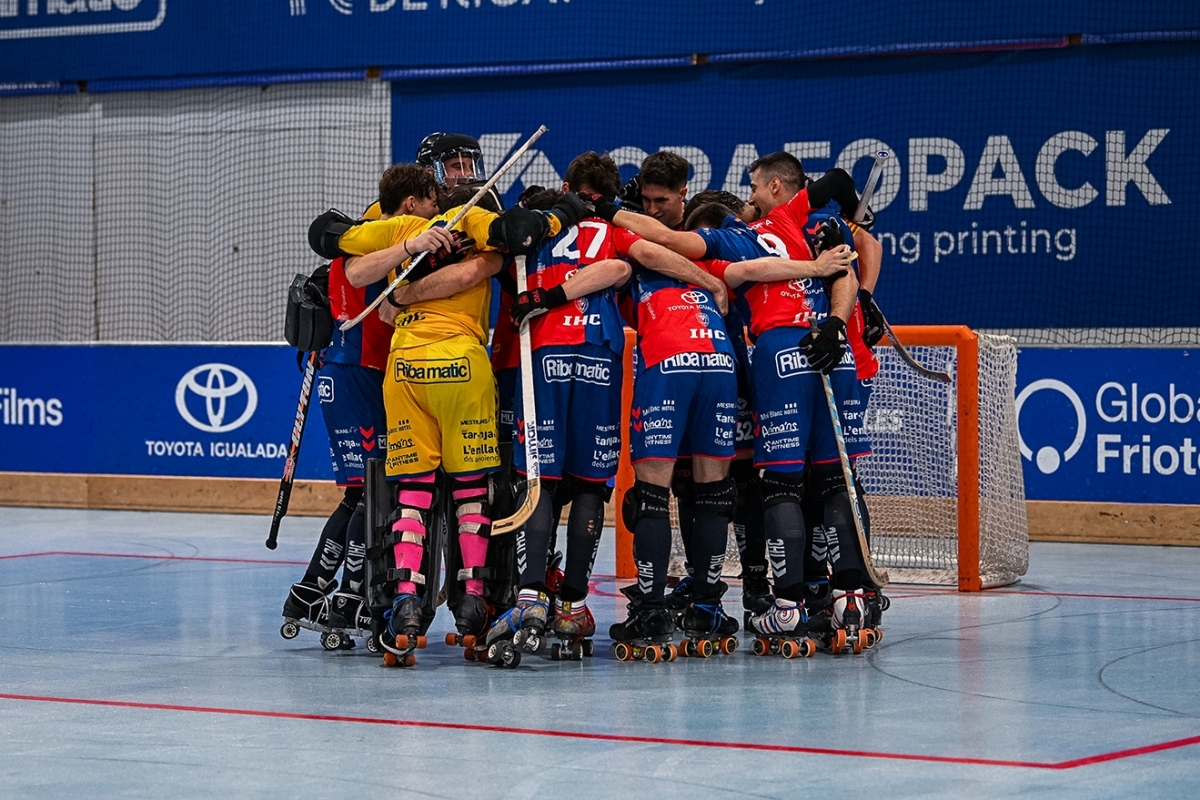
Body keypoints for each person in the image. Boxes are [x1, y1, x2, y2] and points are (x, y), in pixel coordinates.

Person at [311, 174, 585, 662]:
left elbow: (338, 251)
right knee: (470, 491)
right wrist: (568, 208)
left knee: (412, 493)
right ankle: (473, 604)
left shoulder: (402, 229)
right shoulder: (476, 221)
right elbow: (513, 238)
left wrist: (406, 269)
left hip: (405, 366)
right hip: (461, 364)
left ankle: (405, 604)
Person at [281, 164, 439, 650]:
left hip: (339, 373)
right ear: (410, 204)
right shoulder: (378, 240)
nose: (436, 210)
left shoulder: (356, 238)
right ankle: (351, 596)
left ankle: (310, 591)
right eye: (431, 201)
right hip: (361, 373)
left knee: (358, 495)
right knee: (376, 492)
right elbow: (378, 298)